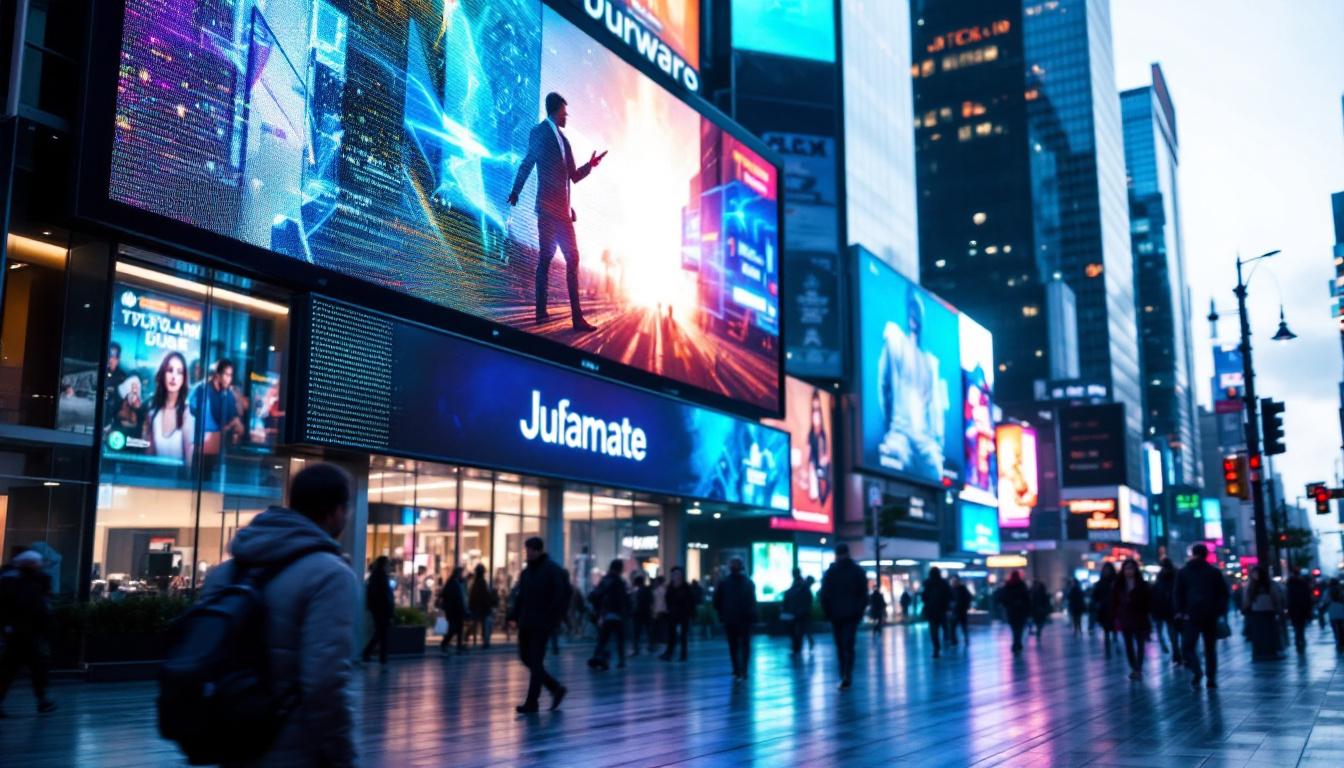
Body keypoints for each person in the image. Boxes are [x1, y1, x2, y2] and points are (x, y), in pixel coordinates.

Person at [196, 463, 357, 765]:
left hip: (230, 734)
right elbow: (325, 683)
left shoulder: (227, 572)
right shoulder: (330, 575)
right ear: (336, 512)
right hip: (290, 744)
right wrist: (341, 755)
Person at [508, 91, 607, 332]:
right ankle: (541, 312)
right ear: (555, 110)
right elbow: (527, 164)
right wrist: (516, 190)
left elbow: (572, 177)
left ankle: (577, 318)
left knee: (573, 258)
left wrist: (590, 166)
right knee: (545, 258)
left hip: (563, 214)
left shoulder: (565, 142)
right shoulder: (539, 132)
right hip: (546, 210)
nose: (567, 116)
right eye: (564, 112)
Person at [877, 292, 950, 478]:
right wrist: (892, 427)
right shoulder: (895, 342)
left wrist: (937, 442)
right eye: (911, 311)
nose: (914, 317)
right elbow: (883, 386)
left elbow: (936, 409)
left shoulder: (930, 362)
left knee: (937, 473)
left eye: (917, 312)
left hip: (925, 442)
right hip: (900, 435)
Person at [510, 537, 570, 713]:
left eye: (529, 550)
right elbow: (521, 596)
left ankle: (532, 702)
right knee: (526, 657)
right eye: (526, 549)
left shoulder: (552, 570)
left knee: (535, 661)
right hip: (527, 621)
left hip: (541, 623)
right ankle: (555, 688)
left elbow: (562, 595)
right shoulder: (527, 572)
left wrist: (553, 617)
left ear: (538, 551)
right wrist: (513, 615)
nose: (527, 553)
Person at [0, 550, 57, 716]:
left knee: (11, 669)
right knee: (30, 667)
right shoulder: (28, 581)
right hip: (25, 632)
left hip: (21, 632)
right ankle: (42, 700)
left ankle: (42, 700)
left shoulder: (13, 580)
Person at [1175, 543, 1230, 689]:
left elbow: (1178, 593)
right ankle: (1211, 678)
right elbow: (1223, 593)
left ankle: (1197, 670)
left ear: (1192, 554)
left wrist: (1181, 611)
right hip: (1210, 615)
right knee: (1210, 648)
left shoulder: (1184, 572)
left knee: (1187, 647)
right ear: (1206, 555)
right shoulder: (1214, 572)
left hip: (1191, 615)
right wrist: (1219, 610)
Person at [819, 544, 867, 689]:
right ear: (848, 553)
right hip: (851, 615)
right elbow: (863, 595)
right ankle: (847, 673)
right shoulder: (857, 571)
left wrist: (828, 613)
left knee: (840, 645)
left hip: (836, 615)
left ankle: (843, 673)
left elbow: (823, 595)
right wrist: (859, 612)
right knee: (849, 645)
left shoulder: (831, 572)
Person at [144, 351, 195, 466]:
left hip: (178, 481)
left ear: (184, 379)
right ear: (163, 374)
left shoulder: (187, 413)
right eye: (170, 370)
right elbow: (148, 456)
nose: (174, 377)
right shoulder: (153, 413)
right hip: (154, 479)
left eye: (179, 372)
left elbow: (189, 461)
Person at [712, 558, 757, 682]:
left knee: (733, 646)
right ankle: (743, 670)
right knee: (745, 645)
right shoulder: (748, 582)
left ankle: (737, 670)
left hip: (730, 619)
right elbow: (752, 602)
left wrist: (722, 613)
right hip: (745, 619)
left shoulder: (724, 582)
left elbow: (716, 602)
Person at [189, 358, 244, 456]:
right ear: (217, 375)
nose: (229, 379)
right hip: (200, 450)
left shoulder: (228, 394)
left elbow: (237, 422)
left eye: (230, 375)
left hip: (218, 451)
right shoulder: (201, 390)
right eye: (226, 375)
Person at [1113, 559, 1151, 680]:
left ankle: (1138, 668)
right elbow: (1114, 602)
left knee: (1140, 644)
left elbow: (1147, 602)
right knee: (1128, 645)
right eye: (1127, 568)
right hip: (1125, 618)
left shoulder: (1142, 584)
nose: (1129, 571)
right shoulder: (1118, 585)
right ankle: (1134, 668)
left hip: (1140, 618)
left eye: (1131, 568)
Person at [589, 559, 630, 670]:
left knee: (603, 638)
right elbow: (624, 599)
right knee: (619, 639)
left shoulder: (605, 580)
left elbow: (595, 595)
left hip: (605, 614)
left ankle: (598, 658)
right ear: (620, 569)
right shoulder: (619, 582)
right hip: (617, 614)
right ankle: (620, 660)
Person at [1243, 566, 1285, 661]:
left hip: (1268, 611)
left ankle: (1269, 651)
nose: (1255, 575)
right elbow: (1247, 599)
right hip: (1256, 612)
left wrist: (1278, 609)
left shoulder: (1269, 585)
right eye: (1254, 573)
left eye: (1257, 573)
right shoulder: (1251, 586)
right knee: (1259, 633)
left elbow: (1276, 597)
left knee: (1269, 633)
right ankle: (1261, 652)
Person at [362, 556, 394, 665]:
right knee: (382, 633)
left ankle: (373, 654)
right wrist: (389, 609)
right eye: (388, 564)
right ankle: (379, 656)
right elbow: (385, 595)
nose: (389, 566)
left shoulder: (376, 576)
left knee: (380, 633)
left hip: (378, 609)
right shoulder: (381, 577)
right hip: (382, 609)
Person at [1150, 558, 1181, 664]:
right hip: (1170, 607)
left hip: (1166, 607)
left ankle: (1176, 651)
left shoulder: (1161, 576)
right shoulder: (1175, 574)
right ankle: (1176, 651)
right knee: (1173, 632)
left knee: (1171, 631)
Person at [662, 566, 694, 661]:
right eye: (674, 574)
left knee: (683, 636)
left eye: (678, 574)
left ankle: (683, 655)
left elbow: (691, 601)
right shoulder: (670, 587)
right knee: (671, 635)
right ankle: (669, 653)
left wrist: (690, 613)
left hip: (683, 614)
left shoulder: (686, 587)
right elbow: (667, 599)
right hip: (672, 614)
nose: (676, 576)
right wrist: (668, 610)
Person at [998, 571, 1031, 653]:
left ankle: (1016, 643)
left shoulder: (1008, 585)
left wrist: (1007, 605)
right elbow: (1027, 598)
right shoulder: (1021, 585)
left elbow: (1002, 597)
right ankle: (1018, 642)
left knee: (1014, 628)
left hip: (1011, 610)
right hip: (1021, 610)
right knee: (1020, 628)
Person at [783, 568, 813, 656]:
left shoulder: (798, 583)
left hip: (797, 611)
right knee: (800, 630)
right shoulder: (801, 582)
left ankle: (797, 647)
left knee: (797, 631)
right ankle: (798, 647)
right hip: (801, 611)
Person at [922, 566, 951, 658]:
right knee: (944, 626)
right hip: (942, 610)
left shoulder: (927, 583)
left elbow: (924, 597)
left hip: (932, 611)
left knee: (934, 631)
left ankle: (936, 648)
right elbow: (949, 595)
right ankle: (946, 639)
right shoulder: (944, 583)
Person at [438, 567, 467, 655]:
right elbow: (453, 597)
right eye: (460, 573)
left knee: (459, 628)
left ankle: (458, 645)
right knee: (454, 628)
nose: (461, 575)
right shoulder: (452, 583)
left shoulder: (457, 583)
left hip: (457, 609)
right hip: (453, 610)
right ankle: (444, 643)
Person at [468, 563, 497, 650]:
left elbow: (473, 596)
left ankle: (483, 641)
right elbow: (485, 596)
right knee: (486, 625)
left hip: (479, 608)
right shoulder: (481, 582)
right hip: (483, 608)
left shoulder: (476, 583)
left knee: (482, 625)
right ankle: (486, 642)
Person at [1285, 570, 1314, 653]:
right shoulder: (1303, 584)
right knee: (1301, 626)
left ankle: (1298, 640)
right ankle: (1301, 639)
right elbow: (1308, 598)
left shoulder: (1289, 585)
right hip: (1302, 608)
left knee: (1296, 626)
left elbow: (1288, 598)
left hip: (1293, 609)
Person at [1093, 562, 1118, 654]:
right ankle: (1108, 650)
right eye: (1105, 569)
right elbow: (1095, 596)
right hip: (1105, 610)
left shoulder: (1116, 581)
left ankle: (1116, 644)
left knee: (1115, 629)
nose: (1107, 571)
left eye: (1108, 569)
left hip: (1115, 609)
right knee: (1106, 630)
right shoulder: (1100, 583)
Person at [631, 572, 654, 656]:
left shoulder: (637, 591)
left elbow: (636, 603)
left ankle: (636, 648)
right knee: (648, 631)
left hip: (639, 614)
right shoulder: (647, 590)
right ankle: (650, 646)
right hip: (647, 613)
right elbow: (651, 600)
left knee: (637, 632)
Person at [949, 575, 972, 646]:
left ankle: (965, 638)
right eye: (953, 581)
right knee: (953, 626)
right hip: (955, 611)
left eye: (955, 581)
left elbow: (969, 597)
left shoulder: (962, 589)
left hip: (961, 610)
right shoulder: (951, 590)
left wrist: (965, 605)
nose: (954, 583)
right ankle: (954, 640)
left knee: (963, 626)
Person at [1323, 579, 1344, 651]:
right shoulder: (1341, 590)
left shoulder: (1327, 591)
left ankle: (1337, 640)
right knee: (1341, 627)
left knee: (1335, 627)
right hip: (1341, 611)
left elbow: (1325, 600)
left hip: (1332, 611)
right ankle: (1342, 640)